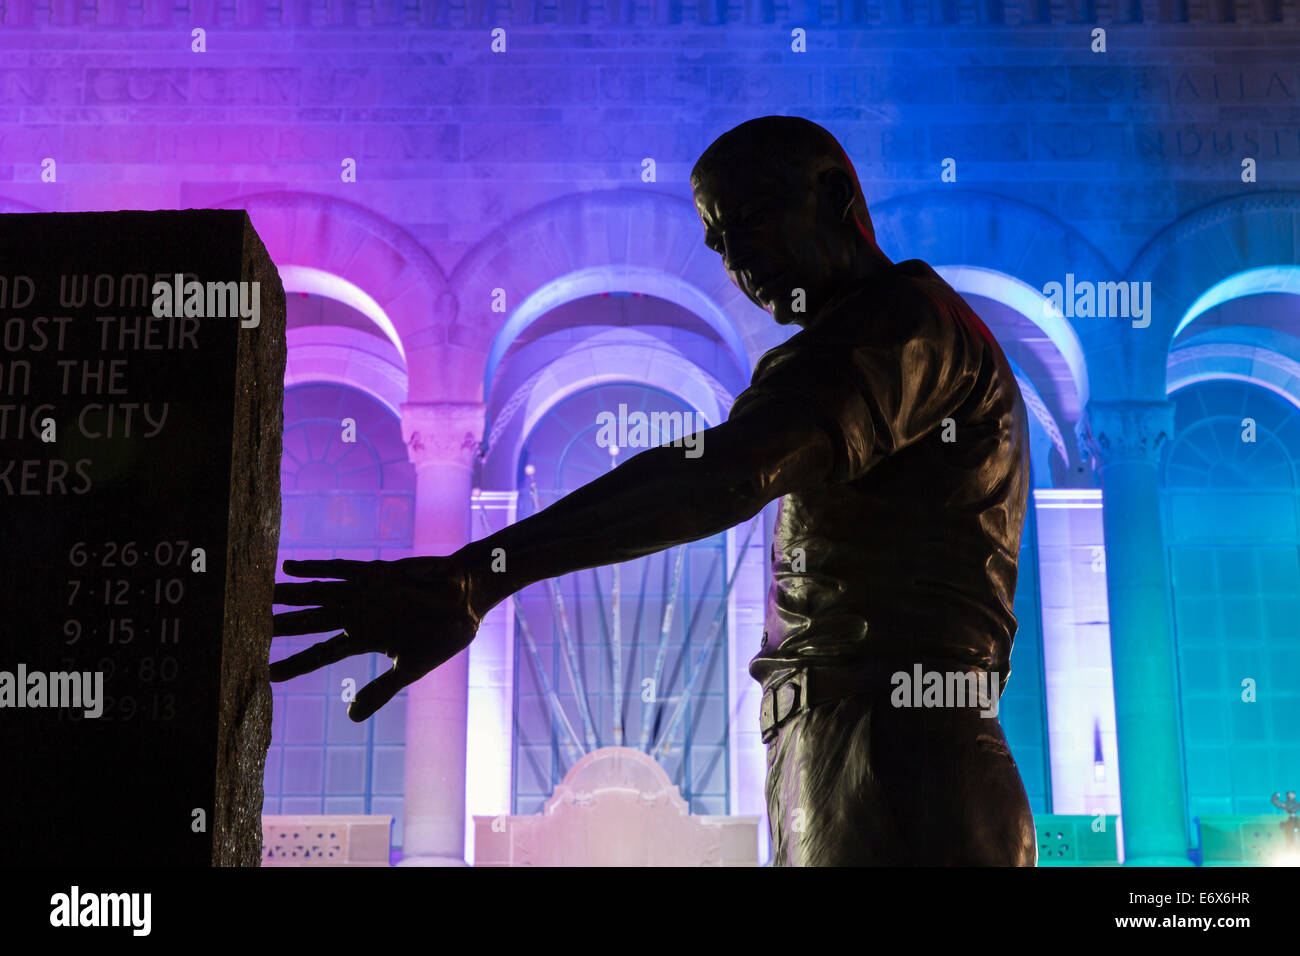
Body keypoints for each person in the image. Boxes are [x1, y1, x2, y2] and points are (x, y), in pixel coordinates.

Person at [272, 115, 1037, 865]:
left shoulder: (900, 325)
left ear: (835, 194)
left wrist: (479, 574)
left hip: (897, 756)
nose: (737, 259)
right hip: (858, 751)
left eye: (752, 220)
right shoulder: (880, 334)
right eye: (718, 240)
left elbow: (730, 468)